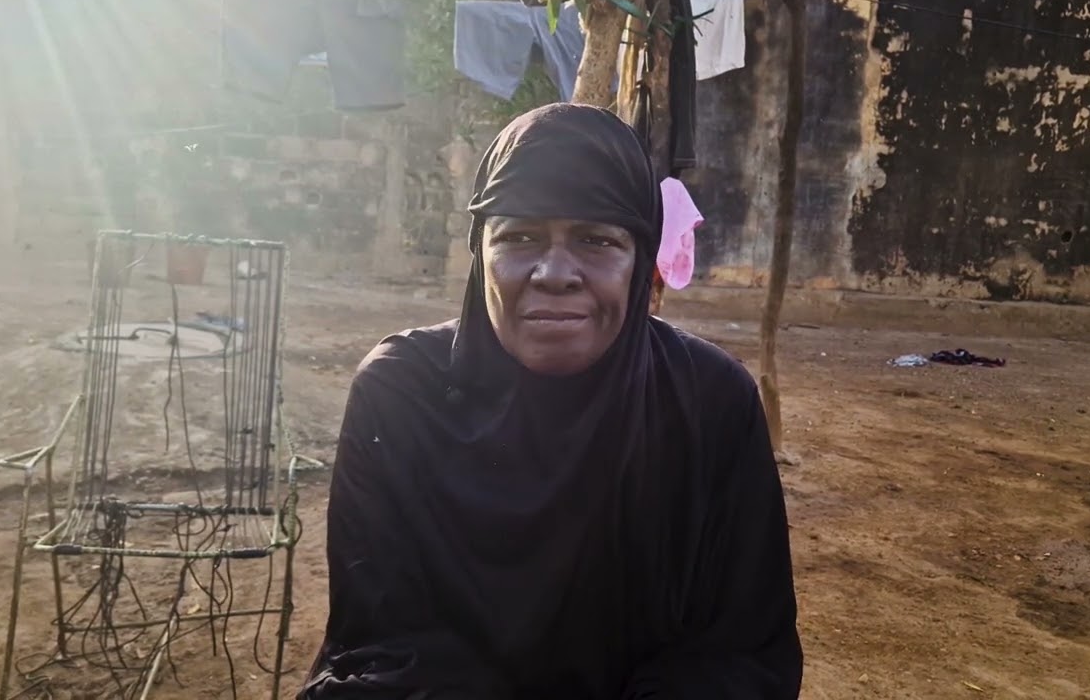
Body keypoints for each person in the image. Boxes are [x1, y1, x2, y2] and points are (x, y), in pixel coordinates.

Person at [299, 104, 803, 699]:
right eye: (520, 236)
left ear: (641, 260)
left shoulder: (710, 402)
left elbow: (740, 652)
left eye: (597, 239)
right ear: (480, 252)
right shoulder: (402, 395)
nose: (555, 272)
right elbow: (382, 645)